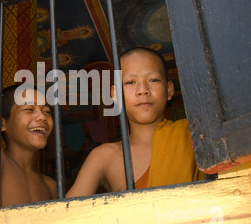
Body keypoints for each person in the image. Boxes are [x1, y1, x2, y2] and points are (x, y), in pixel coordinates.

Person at [66, 46, 204, 197]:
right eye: (131, 82)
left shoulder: (196, 135)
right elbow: (67, 214)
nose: (143, 90)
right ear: (115, 94)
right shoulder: (103, 157)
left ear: (169, 89)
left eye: (153, 80)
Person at [0, 83, 57, 207]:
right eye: (29, 109)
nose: (42, 117)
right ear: (1, 124)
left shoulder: (50, 186)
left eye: (47, 111)